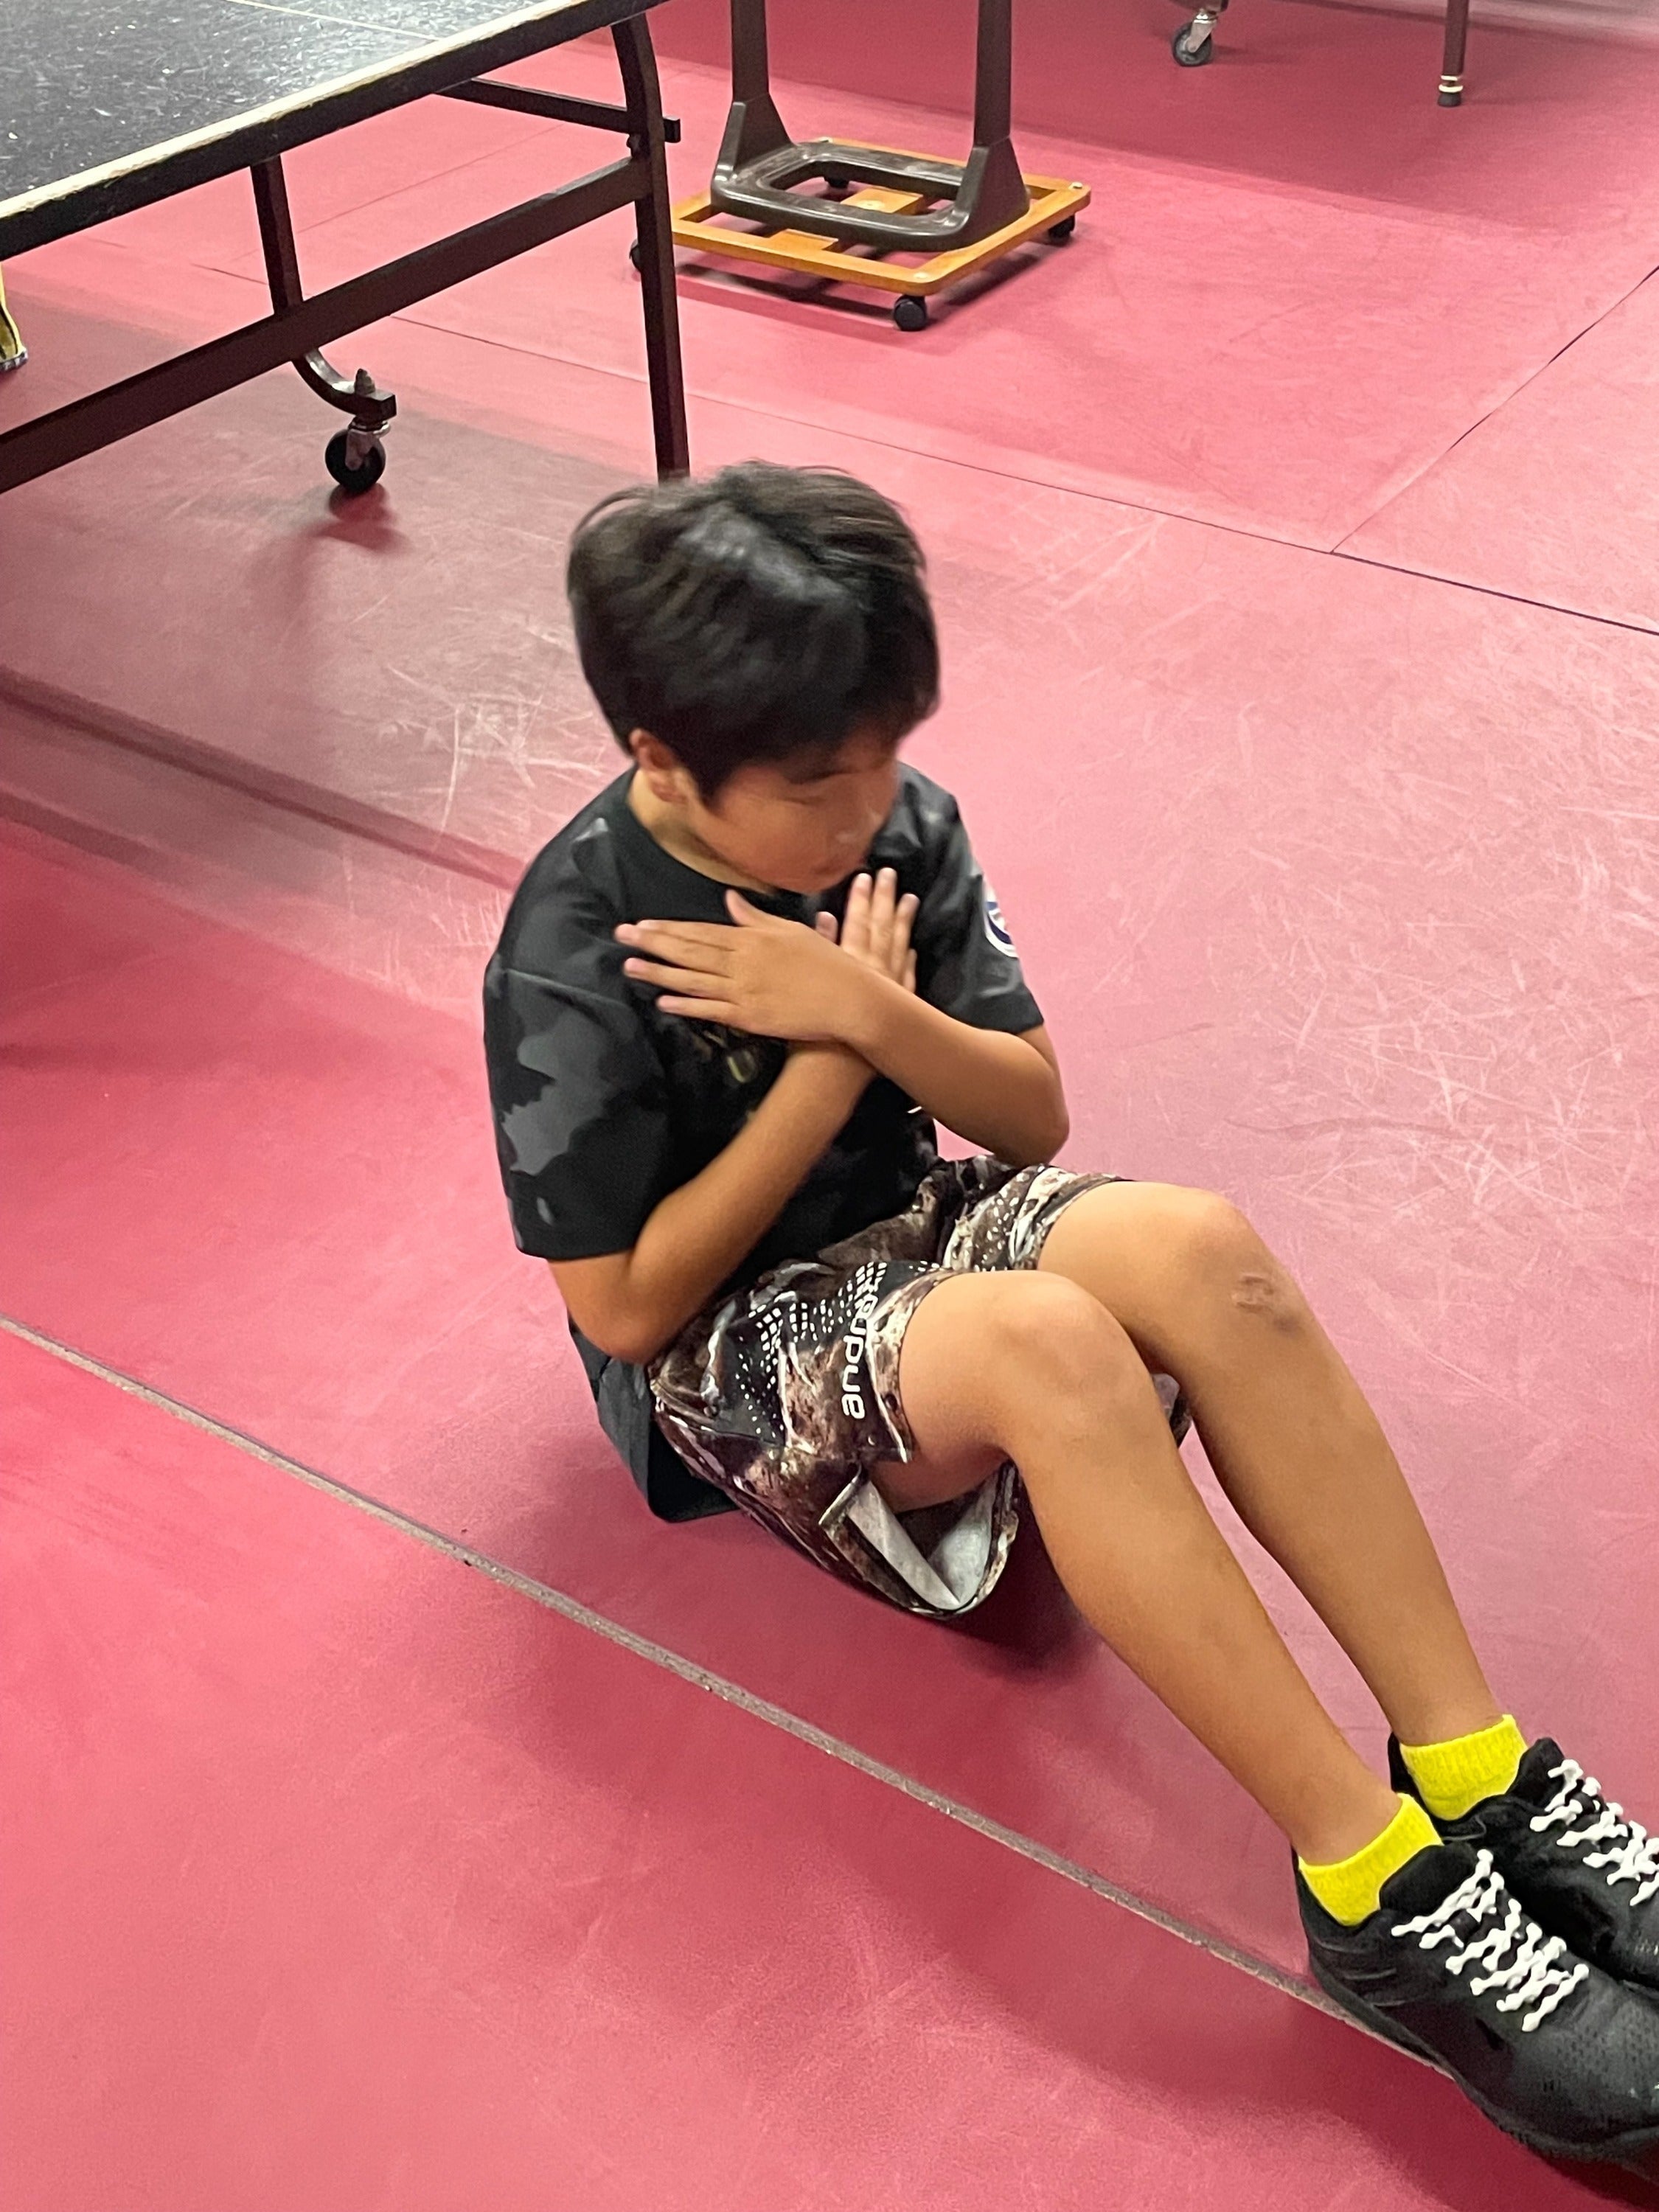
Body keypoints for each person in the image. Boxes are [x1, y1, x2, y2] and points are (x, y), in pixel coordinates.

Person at [485, 462, 1659, 2173]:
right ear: (663, 759)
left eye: (885, 756)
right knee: (1054, 1351)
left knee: (1200, 1249)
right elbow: (627, 1306)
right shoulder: (573, 947)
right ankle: (1373, 1887)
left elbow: (1027, 1116)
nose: (869, 809)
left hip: (910, 1220)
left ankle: (1474, 1767)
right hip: (722, 1348)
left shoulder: (894, 820)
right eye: (817, 785)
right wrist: (827, 1064)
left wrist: (868, 1011)